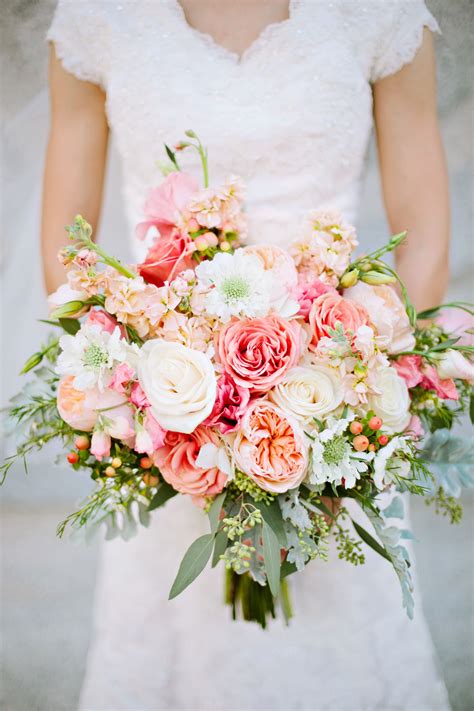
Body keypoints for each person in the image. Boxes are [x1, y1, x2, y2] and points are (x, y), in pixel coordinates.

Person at [43, 1, 450, 708]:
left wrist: (355, 393)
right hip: (169, 423)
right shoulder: (97, 17)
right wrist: (151, 385)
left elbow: (424, 231)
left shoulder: (379, 13)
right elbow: (66, 252)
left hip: (337, 412)